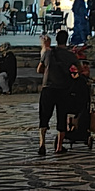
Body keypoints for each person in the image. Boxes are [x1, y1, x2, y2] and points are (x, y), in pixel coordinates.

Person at [37, 28, 77, 156]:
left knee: (44, 116)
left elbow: (39, 69)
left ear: (56, 39)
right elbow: (78, 70)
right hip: (63, 89)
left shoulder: (48, 53)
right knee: (62, 117)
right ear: (67, 40)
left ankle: (42, 143)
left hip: (48, 87)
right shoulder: (70, 55)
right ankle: (59, 147)